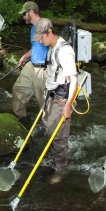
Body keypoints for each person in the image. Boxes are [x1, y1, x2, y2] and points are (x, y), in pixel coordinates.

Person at [34, 18, 78, 185]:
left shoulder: (64, 51)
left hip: (62, 98)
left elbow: (74, 81)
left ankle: (61, 169)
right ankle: (56, 158)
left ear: (49, 32)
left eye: (41, 37)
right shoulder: (51, 48)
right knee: (49, 128)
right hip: (51, 95)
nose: (39, 40)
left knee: (57, 136)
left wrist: (67, 106)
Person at [12, 1, 50, 119]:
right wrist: (25, 56)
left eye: (24, 14)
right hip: (31, 66)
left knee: (45, 107)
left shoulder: (44, 24)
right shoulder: (33, 29)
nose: (23, 17)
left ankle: (51, 133)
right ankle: (21, 120)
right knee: (18, 90)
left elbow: (47, 38)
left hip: (43, 70)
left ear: (31, 12)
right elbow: (35, 47)